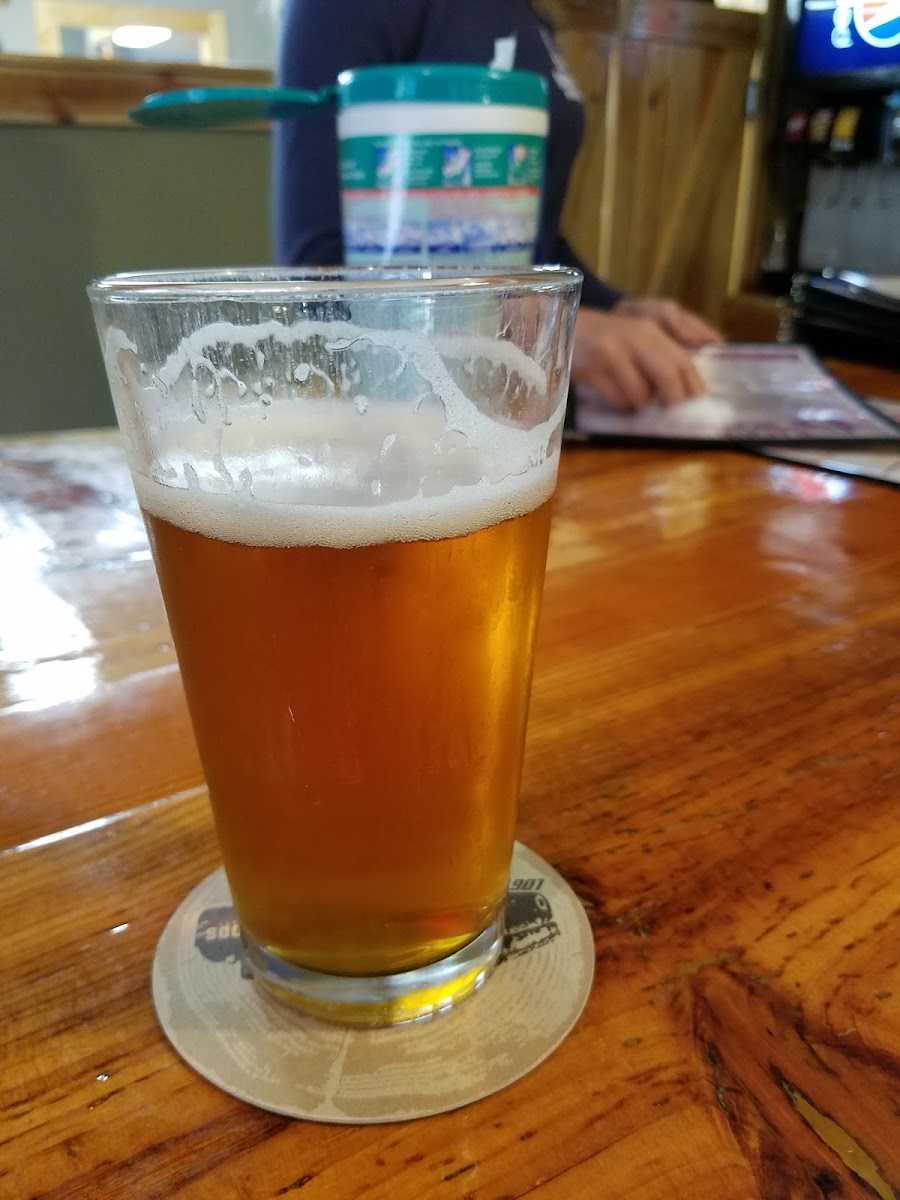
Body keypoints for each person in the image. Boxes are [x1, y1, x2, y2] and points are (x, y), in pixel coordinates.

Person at [274, 0, 721, 411]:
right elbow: (316, 270)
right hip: (407, 415)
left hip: (514, 410)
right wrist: (547, 328)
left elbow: (526, 238)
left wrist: (611, 307)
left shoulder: (531, 11)